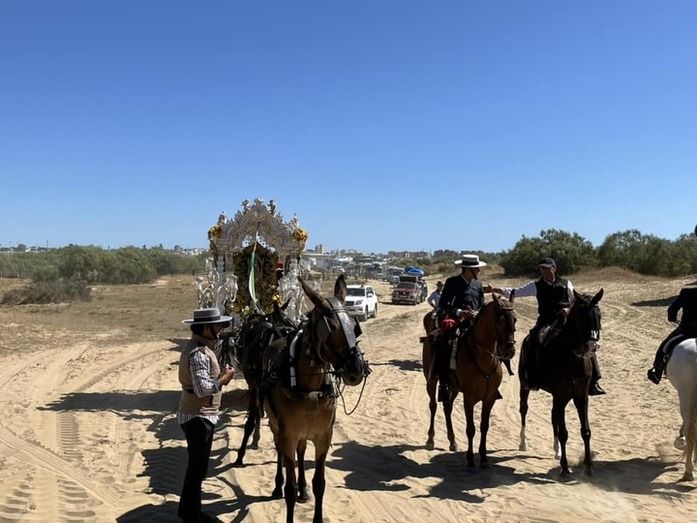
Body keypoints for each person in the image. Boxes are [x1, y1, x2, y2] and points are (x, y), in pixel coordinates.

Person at [492, 257, 606, 396]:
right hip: (545, 321)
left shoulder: (566, 284)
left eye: (546, 268)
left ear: (554, 268)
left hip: (564, 321)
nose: (543, 271)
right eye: (541, 268)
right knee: (531, 340)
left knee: (585, 342)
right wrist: (495, 289)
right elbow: (515, 291)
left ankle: (594, 381)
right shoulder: (536, 285)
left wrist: (568, 310)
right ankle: (530, 377)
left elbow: (575, 301)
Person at [178, 307, 236, 523]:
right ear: (205, 328)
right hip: (198, 417)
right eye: (217, 325)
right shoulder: (199, 354)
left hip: (199, 415)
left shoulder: (200, 348)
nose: (221, 329)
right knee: (197, 469)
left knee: (198, 468)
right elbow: (203, 389)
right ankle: (191, 516)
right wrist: (224, 379)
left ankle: (189, 511)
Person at [434, 254, 488, 402]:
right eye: (476, 268)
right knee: (445, 344)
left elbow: (482, 305)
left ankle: (492, 383)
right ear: (468, 269)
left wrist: (476, 313)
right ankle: (444, 383)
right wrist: (460, 312)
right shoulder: (452, 282)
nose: (479, 270)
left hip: (475, 323)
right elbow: (443, 306)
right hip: (456, 322)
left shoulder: (478, 285)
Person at [647, 286, 697, 384]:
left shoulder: (687, 292)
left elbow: (672, 309)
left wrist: (672, 318)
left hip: (687, 329)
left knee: (664, 346)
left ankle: (657, 372)